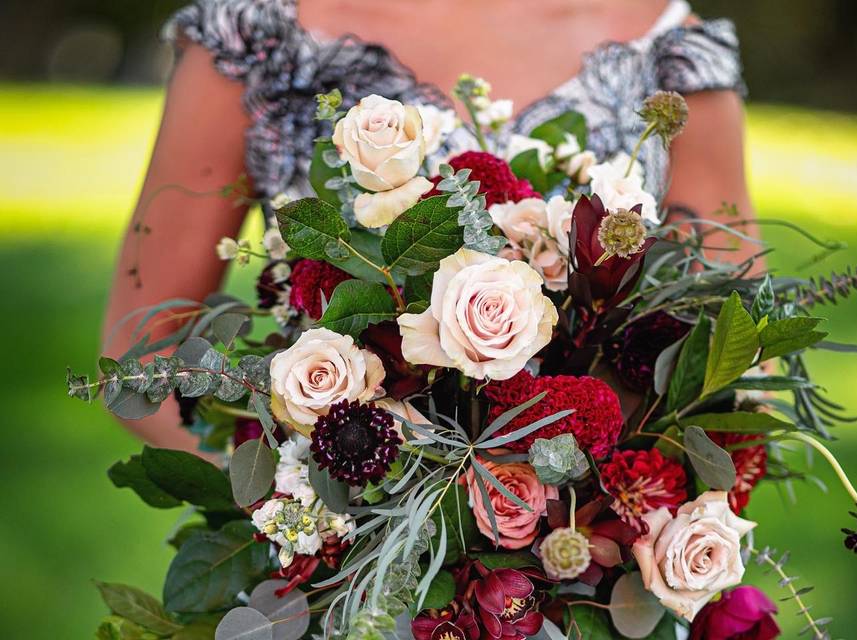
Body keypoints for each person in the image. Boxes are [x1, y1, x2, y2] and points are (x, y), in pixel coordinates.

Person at [104, 0, 756, 451]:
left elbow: (733, 353)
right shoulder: (253, 38)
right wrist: (310, 509)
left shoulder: (671, 50)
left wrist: (571, 533)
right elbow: (144, 348)